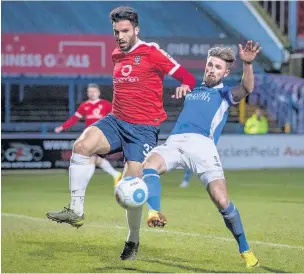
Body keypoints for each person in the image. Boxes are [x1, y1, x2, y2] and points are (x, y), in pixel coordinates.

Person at [46, 5, 196, 260]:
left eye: (125, 31)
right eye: (116, 31)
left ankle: (132, 240)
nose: (120, 36)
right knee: (81, 147)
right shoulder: (116, 54)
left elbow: (187, 77)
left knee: (131, 189)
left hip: (143, 129)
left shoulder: (152, 52)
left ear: (136, 30)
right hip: (117, 120)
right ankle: (76, 211)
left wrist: (185, 86)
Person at [142, 41, 261, 268]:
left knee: (222, 201)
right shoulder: (194, 89)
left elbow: (246, 88)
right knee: (149, 165)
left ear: (225, 72)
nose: (211, 69)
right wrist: (183, 88)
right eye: (209, 65)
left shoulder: (225, 94)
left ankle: (245, 250)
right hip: (176, 141)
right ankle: (154, 212)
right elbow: (181, 82)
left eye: (217, 67)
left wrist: (247, 64)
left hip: (203, 146)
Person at [54, 83, 122, 183]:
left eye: (94, 91)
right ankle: (116, 174)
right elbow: (74, 119)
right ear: (87, 93)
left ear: (98, 92)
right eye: (90, 91)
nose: (92, 93)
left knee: (91, 157)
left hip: (102, 135)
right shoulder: (84, 105)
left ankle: (82, 183)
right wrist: (62, 127)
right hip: (89, 135)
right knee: (96, 159)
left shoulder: (105, 104)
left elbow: (116, 116)